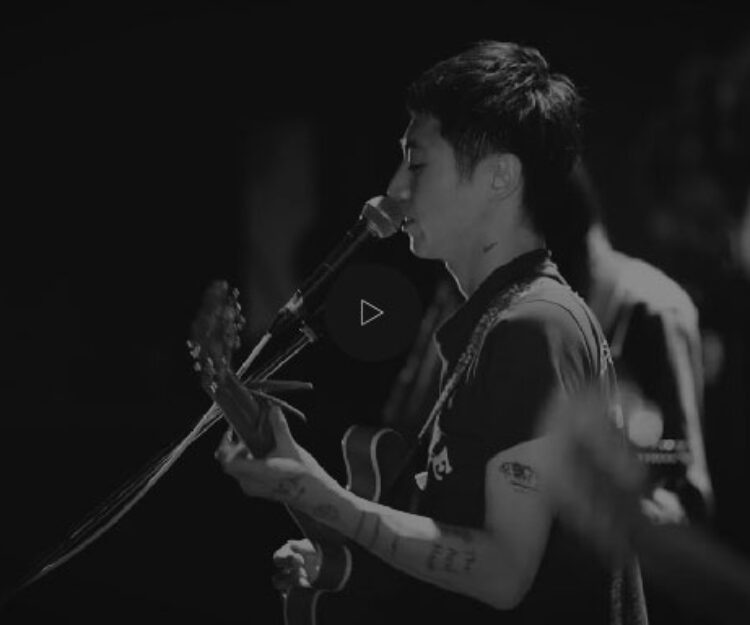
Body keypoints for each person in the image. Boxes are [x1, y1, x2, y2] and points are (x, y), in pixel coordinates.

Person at [216, 41, 648, 624]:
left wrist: (315, 493)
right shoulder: (499, 321)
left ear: (499, 176)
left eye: (416, 163)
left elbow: (502, 575)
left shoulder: (532, 327)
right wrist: (347, 565)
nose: (394, 188)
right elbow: (461, 547)